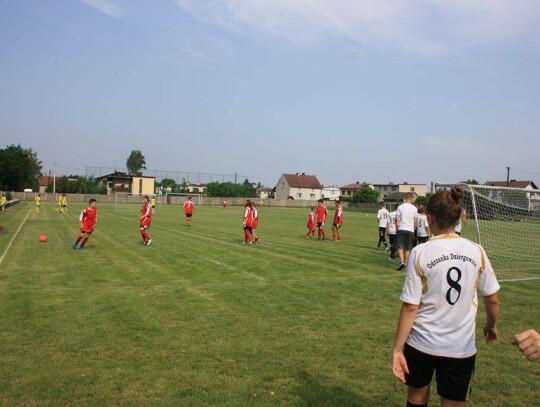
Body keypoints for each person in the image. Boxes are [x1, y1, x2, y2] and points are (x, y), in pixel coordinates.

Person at [392, 185, 500, 407]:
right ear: (458, 218)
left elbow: (410, 306)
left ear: (429, 219)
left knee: (417, 398)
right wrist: (491, 326)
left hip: (421, 343)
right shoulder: (476, 250)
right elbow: (492, 298)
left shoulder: (420, 252)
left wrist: (397, 348)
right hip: (460, 348)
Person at [396, 193, 418, 271]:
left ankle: (401, 261)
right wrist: (414, 229)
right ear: (411, 198)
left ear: (405, 198)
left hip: (401, 228)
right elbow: (415, 221)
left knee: (400, 246)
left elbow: (397, 219)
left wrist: (397, 228)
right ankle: (405, 264)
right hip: (410, 229)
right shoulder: (415, 208)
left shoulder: (400, 207)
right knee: (408, 248)